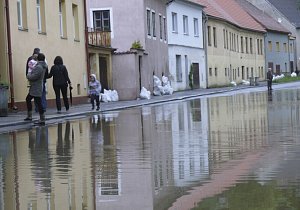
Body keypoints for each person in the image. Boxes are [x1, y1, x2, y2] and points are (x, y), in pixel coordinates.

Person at [24, 53, 48, 125]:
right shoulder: (41, 66)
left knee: (38, 102)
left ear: (38, 59)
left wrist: (28, 75)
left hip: (36, 87)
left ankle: (42, 119)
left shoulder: (39, 67)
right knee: (29, 99)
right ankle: (31, 116)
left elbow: (34, 76)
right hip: (36, 86)